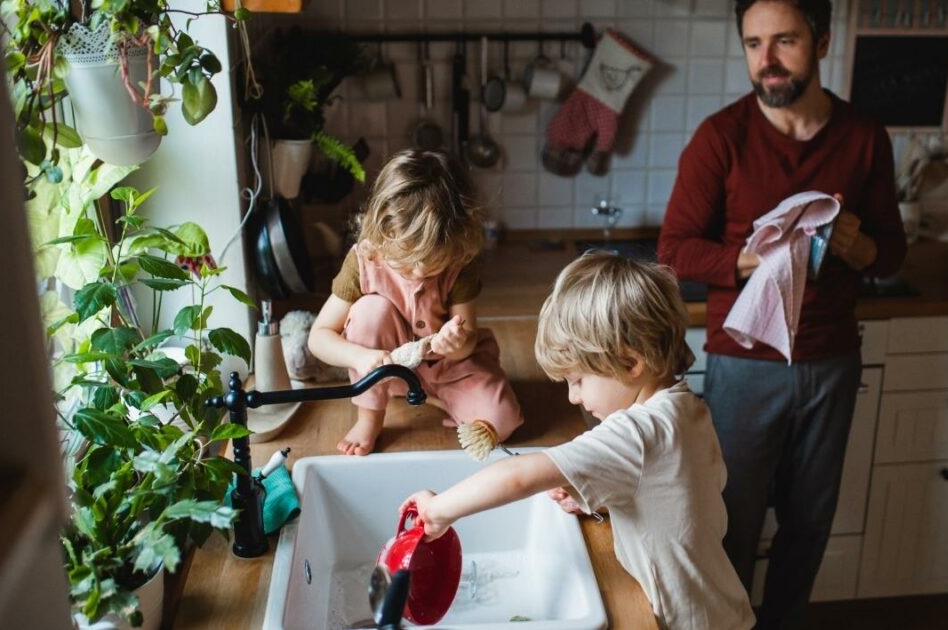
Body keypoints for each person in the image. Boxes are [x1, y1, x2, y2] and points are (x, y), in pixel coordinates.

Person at [657, 0, 907, 627]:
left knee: (810, 518)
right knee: (733, 517)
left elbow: (891, 254)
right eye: (752, 44)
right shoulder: (721, 136)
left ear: (821, 41)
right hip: (743, 363)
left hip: (831, 359)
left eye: (784, 41)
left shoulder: (863, 136)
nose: (765, 60)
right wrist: (752, 261)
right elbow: (676, 249)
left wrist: (858, 246)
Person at [402, 253, 755, 630]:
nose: (573, 397)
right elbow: (672, 493)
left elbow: (520, 476)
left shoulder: (636, 433)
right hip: (721, 608)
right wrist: (604, 490)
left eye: (578, 380)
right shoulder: (685, 408)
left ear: (630, 363)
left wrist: (438, 511)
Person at [307, 149, 523, 455]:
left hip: (449, 370)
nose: (420, 271)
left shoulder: (460, 260)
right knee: (371, 311)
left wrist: (456, 342)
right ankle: (370, 416)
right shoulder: (364, 259)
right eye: (407, 261)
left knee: (504, 420)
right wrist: (358, 357)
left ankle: (436, 396)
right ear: (383, 231)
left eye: (433, 262)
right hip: (388, 370)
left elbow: (467, 341)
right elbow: (318, 337)